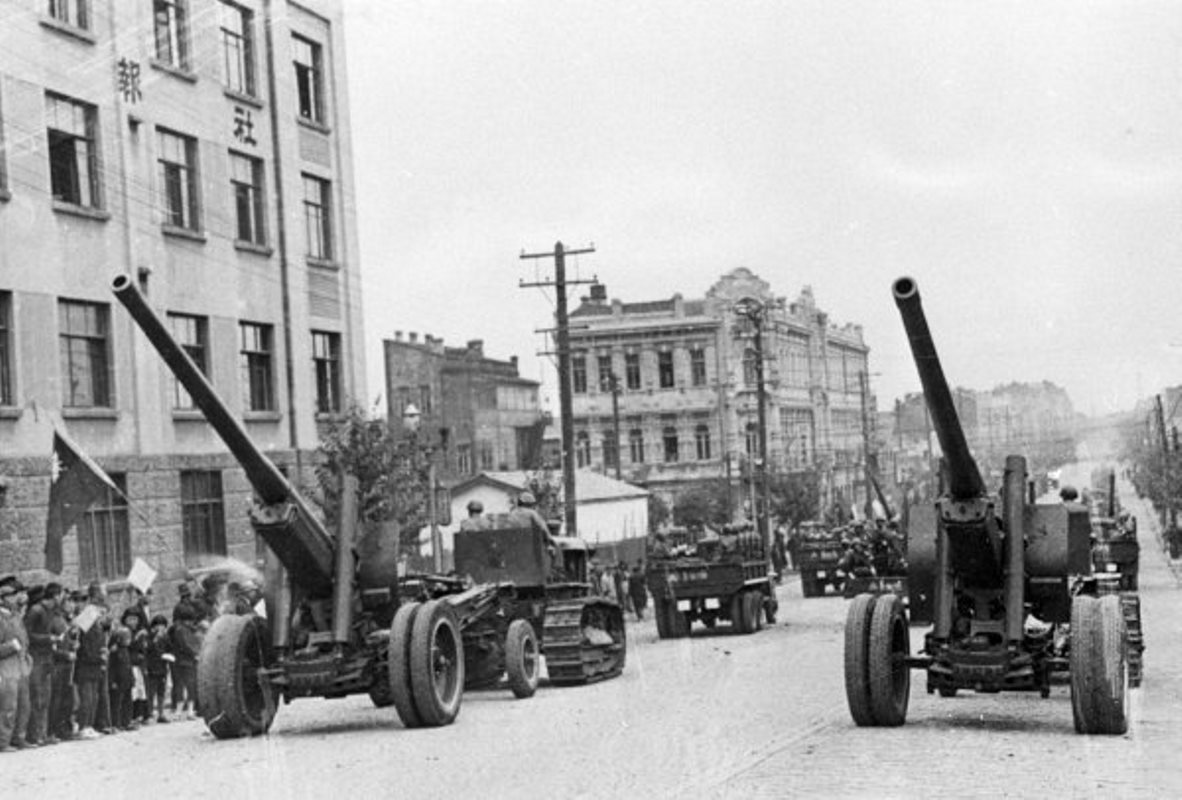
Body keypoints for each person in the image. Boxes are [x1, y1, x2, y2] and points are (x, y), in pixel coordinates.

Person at [24, 581, 62, 746]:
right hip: (37, 658)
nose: (63, 598)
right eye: (61, 595)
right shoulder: (36, 611)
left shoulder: (50, 611)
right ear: (55, 596)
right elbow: (27, 635)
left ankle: (43, 733)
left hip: (47, 658)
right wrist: (49, 639)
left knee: (46, 698)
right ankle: (34, 735)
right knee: (37, 697)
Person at [0, 576, 32, 752]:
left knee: (24, 705)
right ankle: (3, 742)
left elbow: (24, 639)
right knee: (8, 707)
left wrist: (27, 657)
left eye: (15, 595)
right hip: (6, 669)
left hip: (21, 667)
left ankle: (20, 738)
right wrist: (11, 646)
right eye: (11, 596)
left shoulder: (16, 616)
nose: (14, 599)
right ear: (3, 599)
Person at [144, 615, 172, 724]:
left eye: (163, 626)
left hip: (163, 666)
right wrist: (155, 638)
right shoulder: (149, 636)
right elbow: (147, 649)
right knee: (151, 692)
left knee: (161, 692)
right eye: (158, 626)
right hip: (152, 667)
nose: (161, 628)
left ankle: (161, 713)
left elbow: (170, 648)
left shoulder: (165, 637)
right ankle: (150, 713)